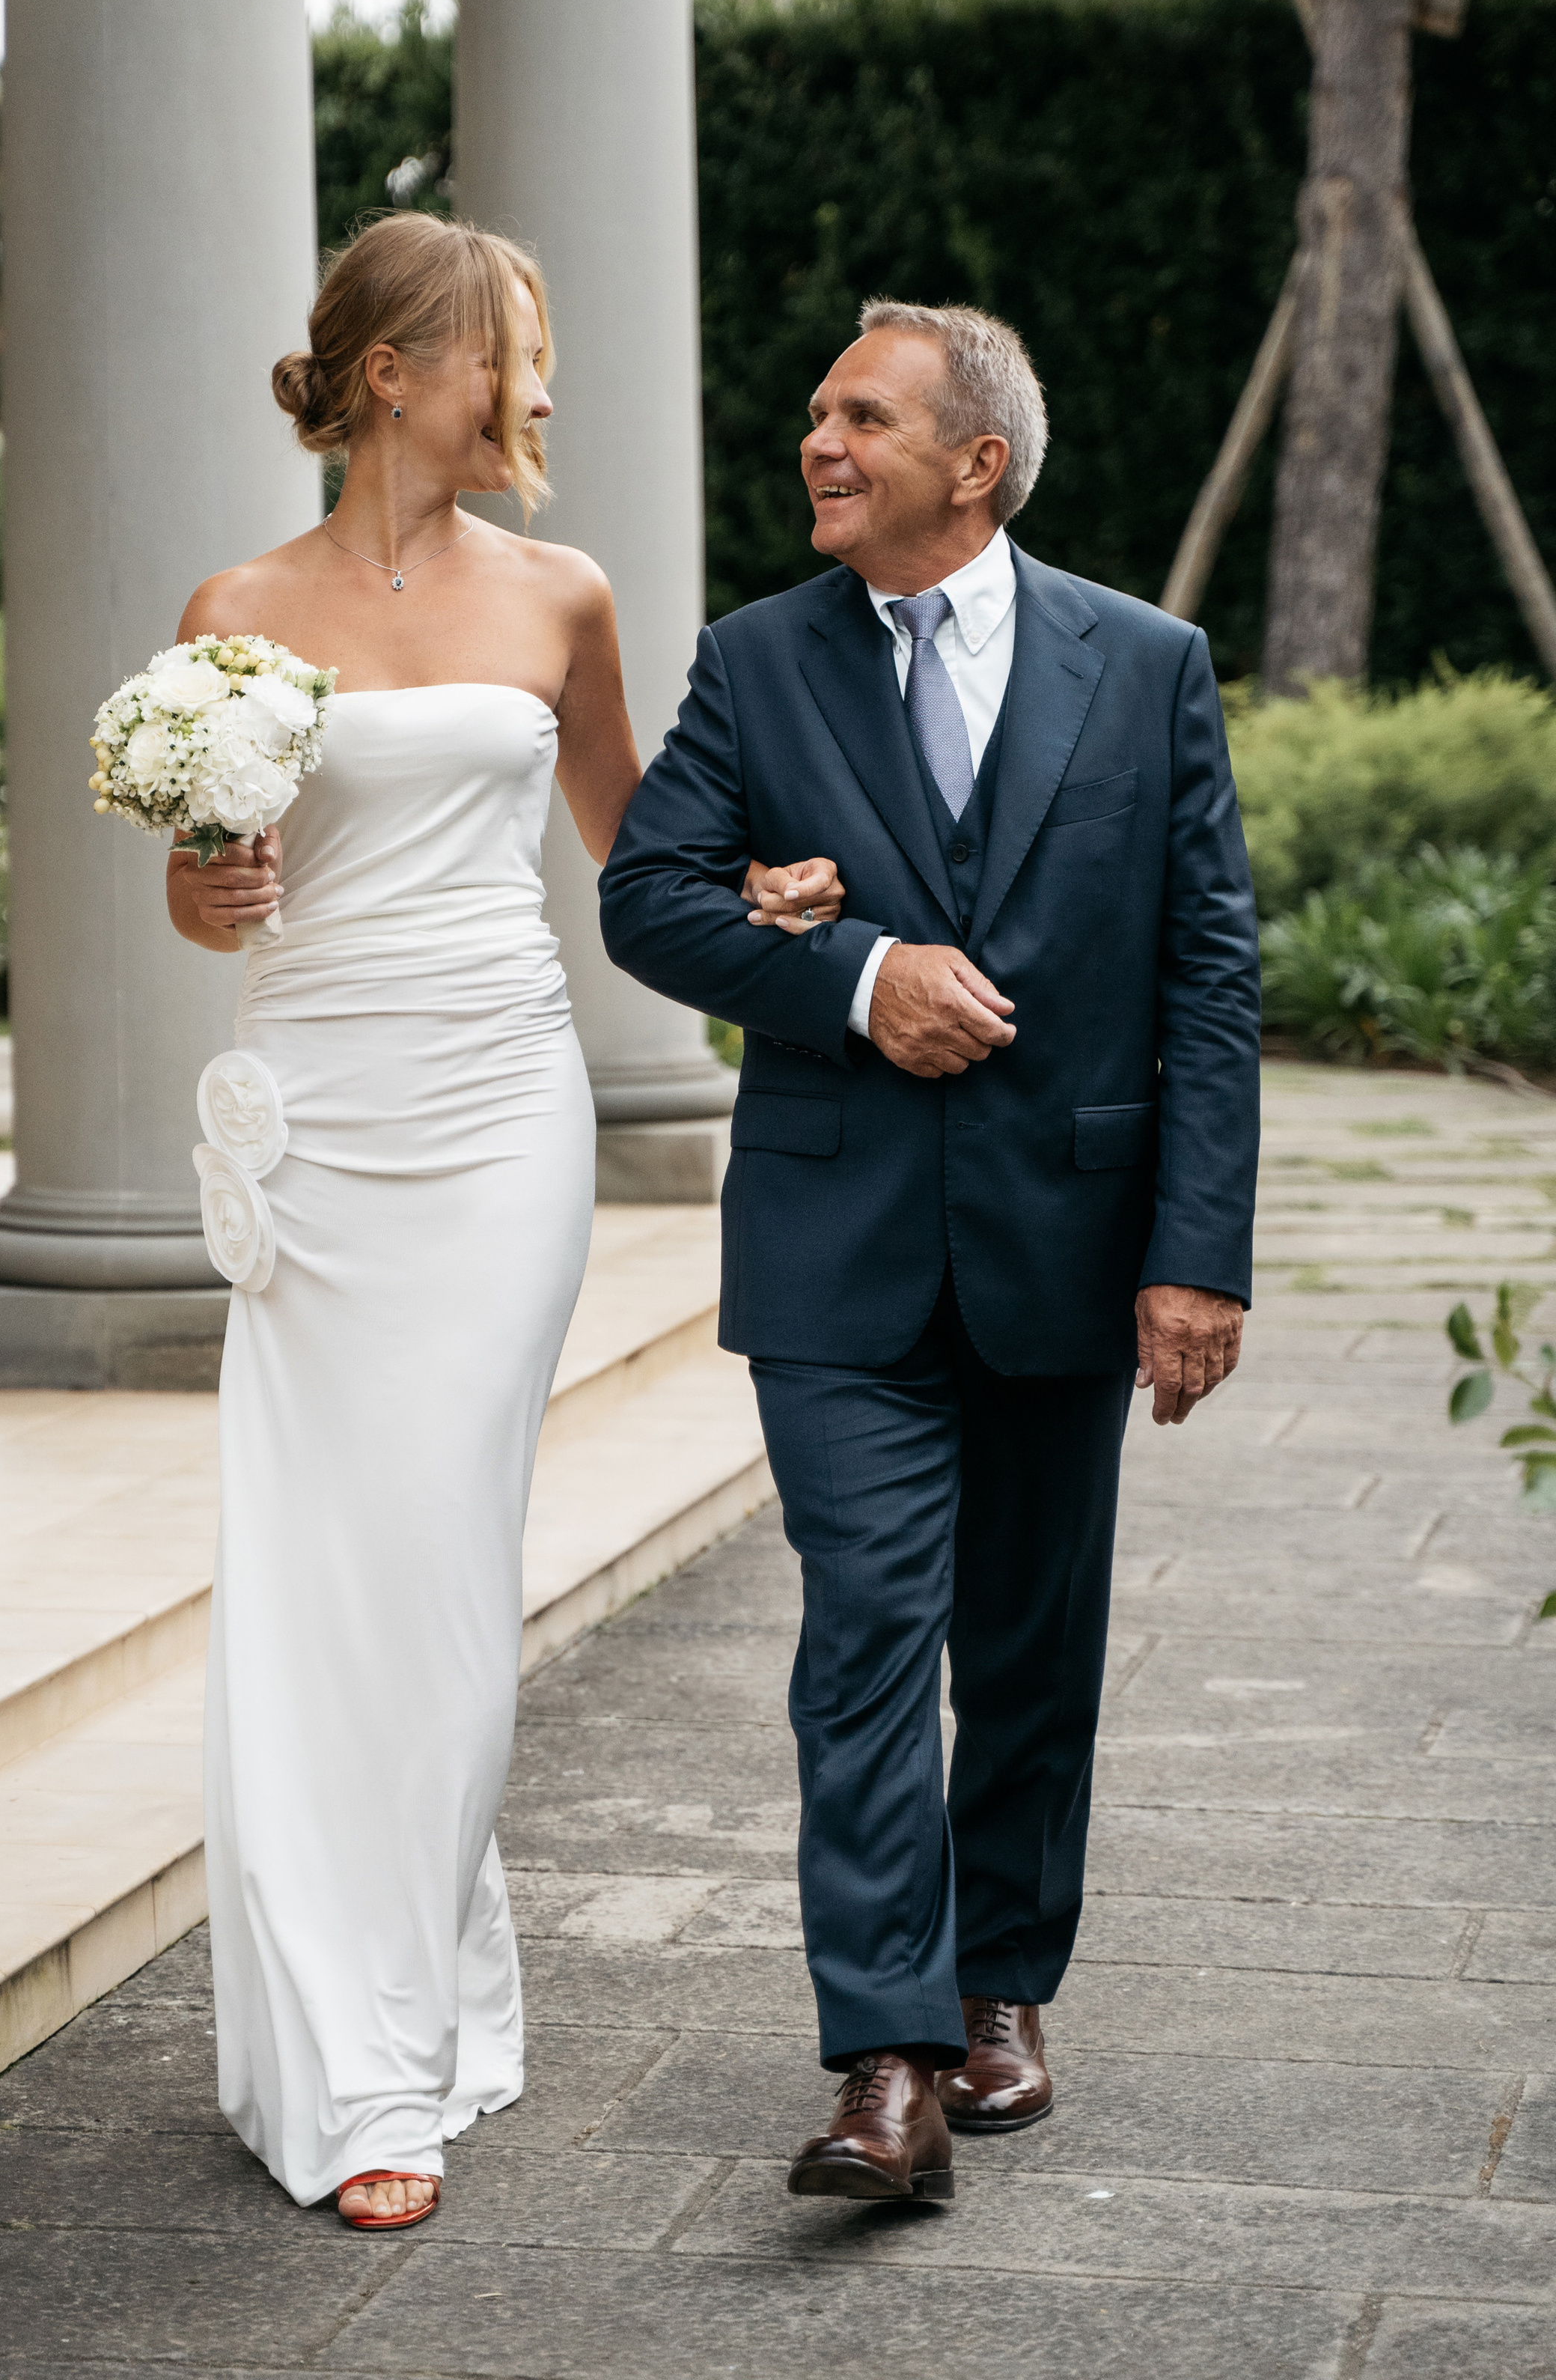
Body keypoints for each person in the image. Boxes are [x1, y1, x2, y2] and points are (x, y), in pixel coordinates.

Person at [166, 213, 835, 2231]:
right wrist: (205, 891)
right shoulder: (233, 607)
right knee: (315, 1572)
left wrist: (765, 899)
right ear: (395, 372)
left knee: (447, 1565)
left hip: (496, 1120)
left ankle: (394, 2047)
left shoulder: (563, 593)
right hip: (322, 1126)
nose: (537, 390)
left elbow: (639, 851)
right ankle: (363, 2031)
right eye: (509, 354)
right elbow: (205, 880)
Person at [598, 299, 1260, 2205]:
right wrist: (853, 974)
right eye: (815, 411)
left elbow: (1206, 973)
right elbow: (647, 899)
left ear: (975, 463)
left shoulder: (1144, 665)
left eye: (860, 416)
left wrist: (1195, 1253)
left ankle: (999, 1987)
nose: (818, 440)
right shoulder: (753, 660)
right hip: (838, 1245)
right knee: (867, 1631)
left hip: (1069, 1237)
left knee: (1031, 1642)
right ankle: (882, 2060)